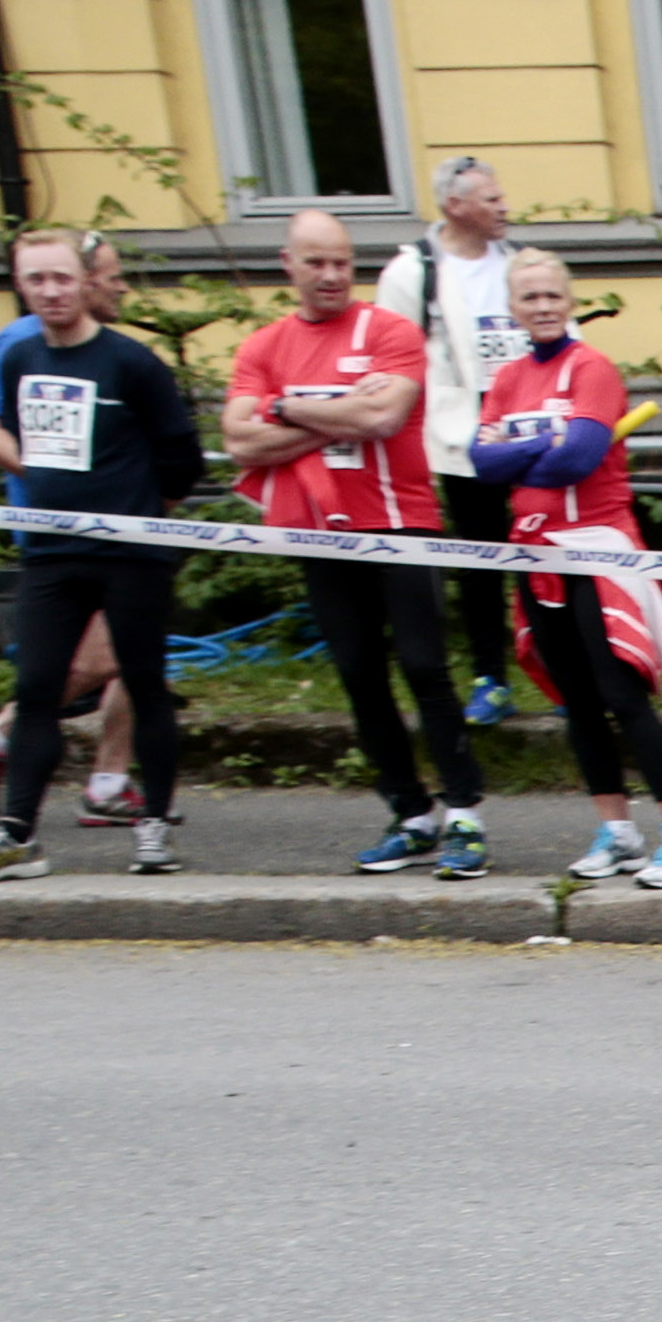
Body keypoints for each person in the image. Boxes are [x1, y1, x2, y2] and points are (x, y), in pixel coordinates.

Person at [222, 209, 488, 874]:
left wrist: (285, 408)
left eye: (342, 262)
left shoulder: (389, 331)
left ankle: (464, 816)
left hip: (401, 525)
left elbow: (384, 414)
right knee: (359, 677)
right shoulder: (263, 347)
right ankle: (410, 813)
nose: (333, 275)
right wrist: (332, 415)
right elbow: (237, 439)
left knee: (425, 669)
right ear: (289, 265)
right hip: (320, 532)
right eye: (317, 263)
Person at [0, 228, 201, 885]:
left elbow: (182, 458)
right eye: (37, 280)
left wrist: (141, 509)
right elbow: (11, 439)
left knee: (143, 683)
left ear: (84, 281)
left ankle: (154, 826)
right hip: (51, 553)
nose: (51, 291)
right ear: (22, 286)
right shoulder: (20, 358)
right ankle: (16, 835)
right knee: (35, 691)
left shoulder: (132, 363)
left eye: (62, 278)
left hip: (131, 551)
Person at [475, 247, 662, 890]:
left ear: (571, 301)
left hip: (599, 548)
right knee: (576, 702)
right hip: (535, 548)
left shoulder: (593, 368)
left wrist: (520, 452)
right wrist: (540, 449)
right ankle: (618, 832)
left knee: (621, 695)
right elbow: (481, 465)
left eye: (554, 295)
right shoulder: (506, 379)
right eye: (530, 297)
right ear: (512, 310)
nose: (544, 306)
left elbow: (577, 459)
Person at [372, 155, 526, 722]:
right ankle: (492, 674)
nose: (504, 205)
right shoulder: (414, 272)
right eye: (490, 198)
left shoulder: (518, 263)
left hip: (528, 424)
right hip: (462, 432)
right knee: (481, 556)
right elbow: (390, 358)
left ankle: (557, 671)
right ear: (454, 206)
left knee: (543, 550)